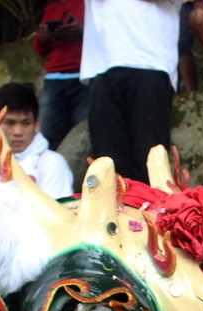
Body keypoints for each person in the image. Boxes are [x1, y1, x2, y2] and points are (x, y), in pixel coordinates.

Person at [80, 0, 180, 183]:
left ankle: (152, 211)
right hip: (102, 64)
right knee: (108, 167)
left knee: (152, 163)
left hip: (150, 62)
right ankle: (117, 212)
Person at [0, 83, 74, 199]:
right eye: (10, 123)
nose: (18, 132)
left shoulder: (52, 163)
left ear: (36, 125)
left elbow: (57, 213)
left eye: (25, 123)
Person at [32, 0, 89, 150]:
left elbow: (107, 37)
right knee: (46, 136)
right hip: (54, 77)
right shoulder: (52, 7)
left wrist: (82, 31)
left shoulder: (91, 4)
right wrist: (43, 37)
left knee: (81, 137)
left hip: (84, 75)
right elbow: (40, 50)